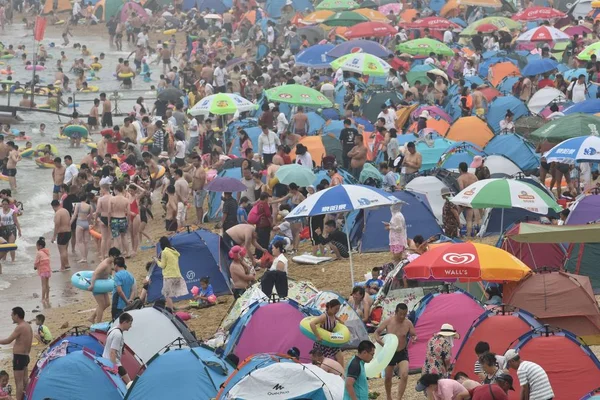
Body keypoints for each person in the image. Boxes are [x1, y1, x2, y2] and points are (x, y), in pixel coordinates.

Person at [375, 303, 416, 400]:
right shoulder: (388, 321)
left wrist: (414, 338)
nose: (402, 316)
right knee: (388, 377)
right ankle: (389, 396)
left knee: (405, 375)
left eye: (404, 314)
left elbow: (414, 334)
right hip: (390, 352)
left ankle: (399, 398)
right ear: (396, 312)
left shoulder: (408, 323)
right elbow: (377, 332)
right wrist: (379, 341)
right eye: (400, 314)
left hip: (402, 351)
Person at [0, 307, 32, 400]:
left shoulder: (20, 327)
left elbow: (8, 340)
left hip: (19, 357)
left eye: (12, 315)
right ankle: (28, 397)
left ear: (17, 315)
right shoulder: (28, 326)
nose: (11, 317)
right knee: (25, 380)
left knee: (19, 382)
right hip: (26, 356)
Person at [310, 299, 347, 368]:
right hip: (322, 343)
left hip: (331, 340)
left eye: (338, 309)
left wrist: (339, 320)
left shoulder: (333, 315)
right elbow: (312, 323)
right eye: (336, 309)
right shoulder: (324, 316)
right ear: (329, 307)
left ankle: (341, 375)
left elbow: (334, 317)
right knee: (320, 363)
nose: (337, 311)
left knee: (340, 357)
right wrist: (317, 336)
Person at [154, 236, 187, 310]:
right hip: (177, 275)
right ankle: (172, 307)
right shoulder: (173, 250)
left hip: (169, 276)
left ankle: (170, 310)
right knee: (170, 294)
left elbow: (162, 265)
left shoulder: (164, 252)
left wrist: (156, 260)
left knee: (167, 295)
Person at [88, 247, 120, 324]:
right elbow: (95, 274)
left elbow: (109, 275)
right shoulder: (105, 264)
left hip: (102, 285)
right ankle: (98, 323)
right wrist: (92, 285)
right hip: (97, 285)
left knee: (107, 304)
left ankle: (92, 317)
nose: (116, 258)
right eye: (116, 256)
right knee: (101, 305)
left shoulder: (110, 263)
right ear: (111, 256)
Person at [102, 312, 134, 384]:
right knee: (129, 383)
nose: (130, 326)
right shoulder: (118, 335)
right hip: (113, 363)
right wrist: (114, 368)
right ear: (125, 322)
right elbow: (112, 352)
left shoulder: (112, 329)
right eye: (130, 323)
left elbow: (105, 343)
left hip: (105, 360)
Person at [457, 162, 479, 237]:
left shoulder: (460, 178)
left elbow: (462, 189)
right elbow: (478, 186)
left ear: (460, 169)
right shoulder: (473, 176)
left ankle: (456, 232)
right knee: (469, 219)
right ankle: (469, 235)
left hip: (464, 199)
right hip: (472, 198)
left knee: (456, 215)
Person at [51, 199, 71, 271]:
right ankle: (64, 266)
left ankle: (65, 265)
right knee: (65, 250)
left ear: (53, 207)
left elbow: (57, 224)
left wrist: (54, 236)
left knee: (62, 251)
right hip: (68, 232)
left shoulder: (58, 213)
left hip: (62, 233)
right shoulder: (65, 211)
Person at [33, 237, 51, 304]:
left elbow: (36, 262)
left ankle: (43, 298)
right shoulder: (46, 252)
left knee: (43, 285)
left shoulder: (39, 253)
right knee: (47, 285)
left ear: (40, 246)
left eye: (37, 246)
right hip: (48, 270)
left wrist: (35, 267)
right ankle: (47, 297)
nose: (36, 247)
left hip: (43, 271)